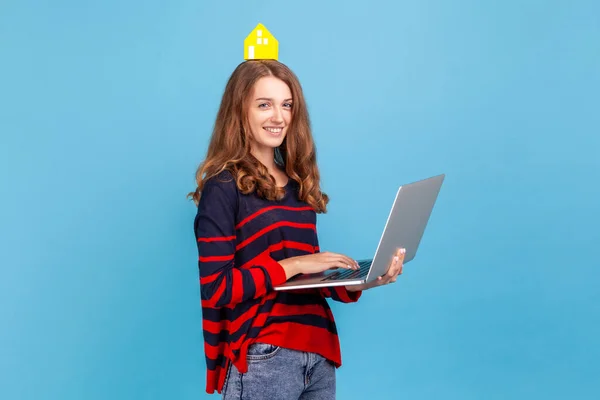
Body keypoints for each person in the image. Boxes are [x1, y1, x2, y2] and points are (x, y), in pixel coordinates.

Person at [190, 59, 405, 399]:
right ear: (239, 110)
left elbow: (304, 283)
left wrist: (364, 279)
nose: (279, 117)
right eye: (265, 105)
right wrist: (297, 264)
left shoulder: (297, 186)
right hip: (264, 356)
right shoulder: (224, 188)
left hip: (319, 353)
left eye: (286, 105)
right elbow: (217, 288)